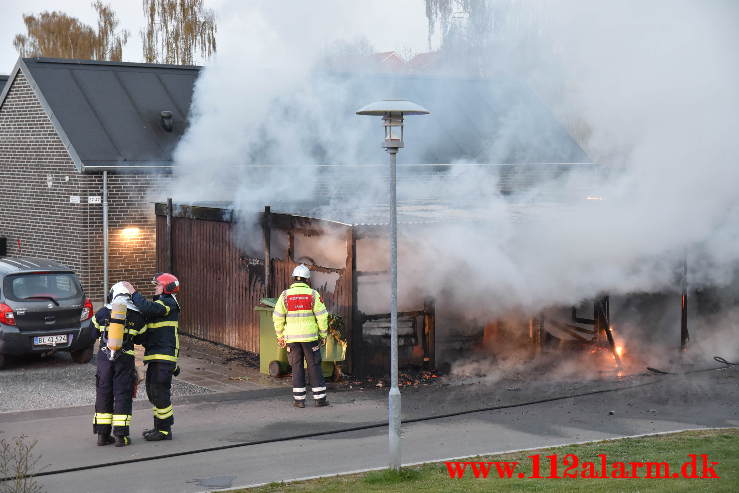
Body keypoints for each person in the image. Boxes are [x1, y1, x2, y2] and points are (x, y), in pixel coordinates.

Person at [121, 273, 180, 441]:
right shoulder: (159, 306)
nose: (155, 287)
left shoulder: (168, 304)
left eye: (158, 285)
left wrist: (133, 292)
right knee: (153, 392)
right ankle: (158, 427)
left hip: (164, 357)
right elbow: (147, 330)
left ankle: (164, 430)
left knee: (160, 392)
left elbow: (147, 308)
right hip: (157, 357)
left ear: (167, 288)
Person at [92, 282, 147, 447]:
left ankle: (102, 436)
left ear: (113, 294)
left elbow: (91, 333)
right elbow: (142, 339)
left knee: (104, 394)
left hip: (104, 360)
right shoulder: (137, 316)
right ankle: (120, 437)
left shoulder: (102, 313)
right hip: (124, 361)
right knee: (122, 395)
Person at [273, 264, 330, 408]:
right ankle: (320, 399)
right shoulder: (313, 295)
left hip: (292, 339)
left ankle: (299, 401)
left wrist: (280, 336)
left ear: (293, 279)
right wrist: (323, 335)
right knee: (314, 366)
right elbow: (323, 317)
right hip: (310, 339)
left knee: (296, 367)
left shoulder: (285, 295)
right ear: (307, 280)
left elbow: (278, 317)